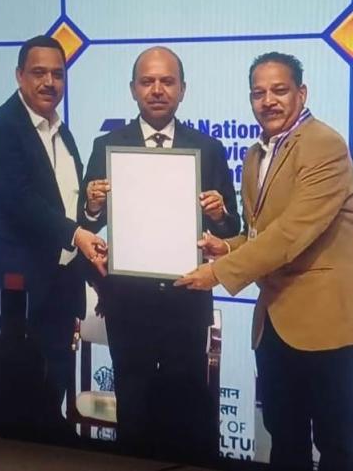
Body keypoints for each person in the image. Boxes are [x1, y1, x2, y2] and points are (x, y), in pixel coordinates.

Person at [175, 52, 353, 471]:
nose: (268, 101)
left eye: (279, 90)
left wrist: (219, 272)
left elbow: (294, 231)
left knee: (335, 447)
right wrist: (227, 247)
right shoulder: (255, 155)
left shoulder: (324, 144)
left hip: (325, 321)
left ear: (302, 93)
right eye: (258, 93)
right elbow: (260, 234)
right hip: (274, 321)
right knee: (284, 441)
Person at [83, 46, 239, 463]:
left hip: (186, 302)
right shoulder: (107, 146)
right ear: (132, 89)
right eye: (147, 81)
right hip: (128, 306)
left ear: (182, 89)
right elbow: (87, 225)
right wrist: (93, 206)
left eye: (167, 82)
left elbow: (232, 230)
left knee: (186, 412)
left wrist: (220, 215)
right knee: (133, 410)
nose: (157, 90)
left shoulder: (207, 148)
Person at [0, 35, 107, 432]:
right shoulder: (1, 128)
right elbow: (20, 201)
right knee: (12, 403)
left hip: (59, 288)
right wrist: (77, 233)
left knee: (51, 397)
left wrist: (90, 212)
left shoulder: (61, 132)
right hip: (15, 289)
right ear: (19, 76)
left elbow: (65, 204)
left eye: (58, 74)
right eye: (39, 73)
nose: (49, 82)